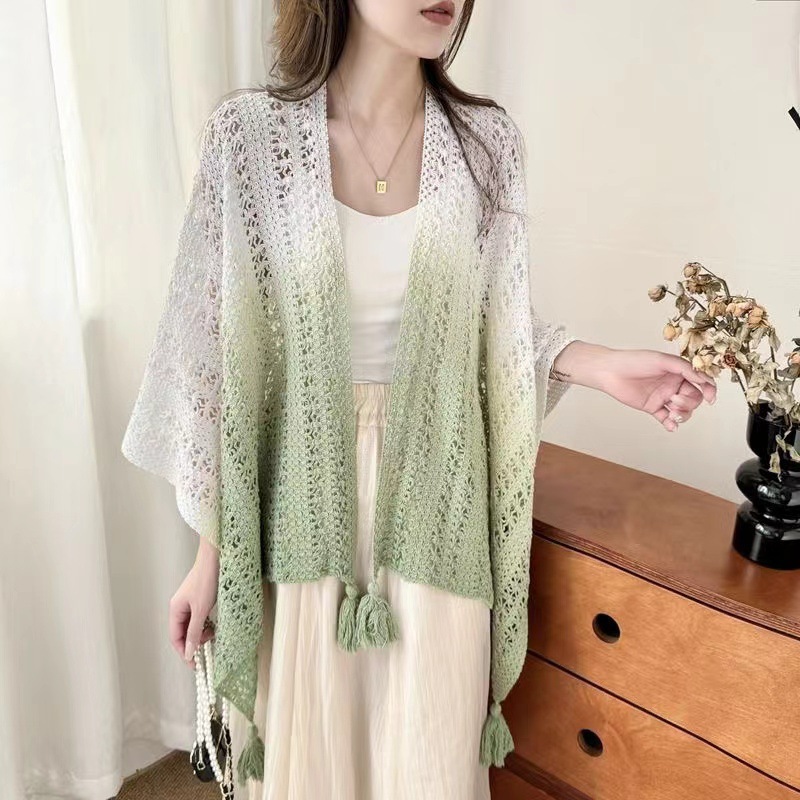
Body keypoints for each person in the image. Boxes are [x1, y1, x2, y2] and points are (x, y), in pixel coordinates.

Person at [121, 1, 717, 798]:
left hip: (441, 506)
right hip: (302, 509)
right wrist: (210, 559)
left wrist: (599, 365)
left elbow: (491, 332)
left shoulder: (486, 146)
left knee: (428, 758)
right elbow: (221, 367)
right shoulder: (252, 140)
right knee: (313, 763)